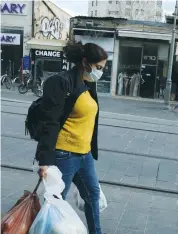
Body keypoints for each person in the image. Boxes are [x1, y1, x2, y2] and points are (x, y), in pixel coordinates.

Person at [36, 40, 108, 234]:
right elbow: (49, 122)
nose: (100, 72)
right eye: (98, 67)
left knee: (92, 195)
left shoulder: (87, 82)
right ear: (85, 62)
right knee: (55, 202)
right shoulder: (61, 82)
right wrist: (45, 161)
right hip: (64, 154)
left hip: (84, 155)